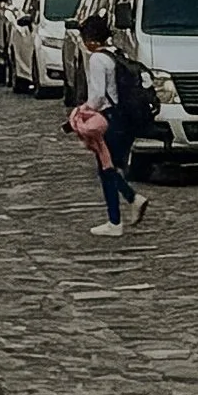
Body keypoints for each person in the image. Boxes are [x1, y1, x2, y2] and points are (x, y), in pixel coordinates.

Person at [73, 16, 141, 235]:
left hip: (106, 117)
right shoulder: (115, 54)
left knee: (106, 168)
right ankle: (130, 200)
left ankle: (116, 219)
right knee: (108, 166)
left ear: (91, 40)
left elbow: (98, 96)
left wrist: (83, 110)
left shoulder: (96, 60)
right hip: (121, 116)